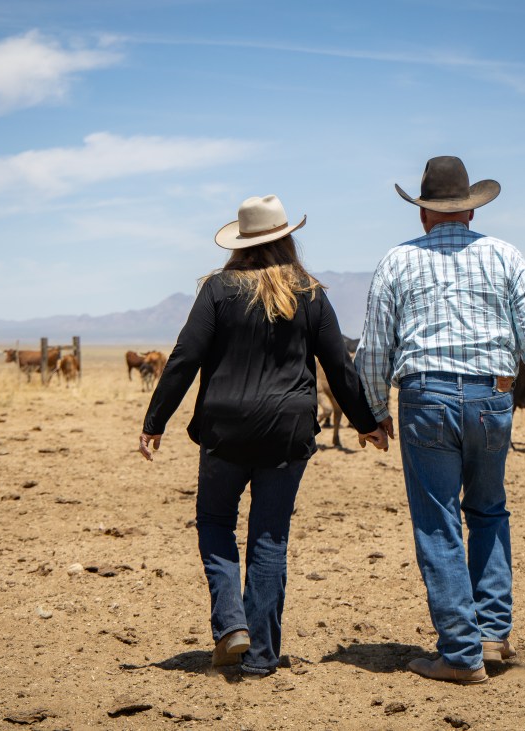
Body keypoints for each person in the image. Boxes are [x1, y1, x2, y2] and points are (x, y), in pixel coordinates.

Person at [138, 194, 389, 676]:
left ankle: (232, 624)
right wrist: (366, 422)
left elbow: (185, 356)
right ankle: (261, 658)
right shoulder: (310, 293)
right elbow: (339, 367)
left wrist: (155, 421)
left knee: (215, 523)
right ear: (287, 239)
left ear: (240, 243)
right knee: (269, 538)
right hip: (287, 432)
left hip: (225, 430)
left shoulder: (217, 289)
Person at [355, 156, 525, 684]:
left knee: (438, 522)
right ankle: (492, 635)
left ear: (422, 213)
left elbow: (374, 350)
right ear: (472, 211)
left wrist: (375, 411)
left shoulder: (397, 261)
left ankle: (460, 652)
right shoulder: (505, 256)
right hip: (491, 398)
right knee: (488, 510)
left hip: (426, 399)